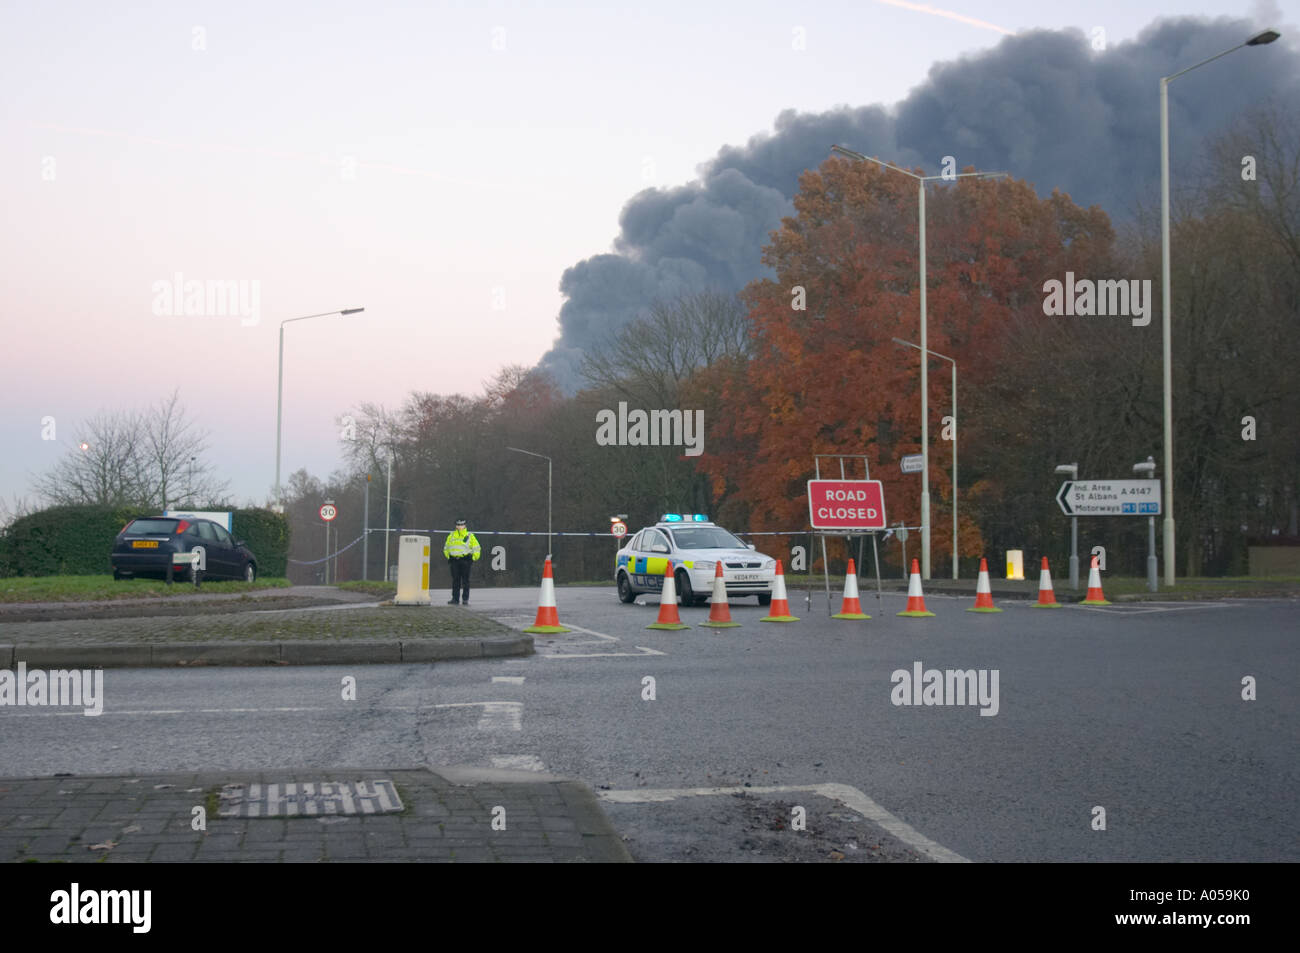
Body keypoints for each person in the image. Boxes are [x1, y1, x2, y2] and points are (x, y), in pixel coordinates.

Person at [443, 518, 481, 605]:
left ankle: (465, 599)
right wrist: (449, 557)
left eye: (462, 525)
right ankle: (455, 599)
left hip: (465, 560)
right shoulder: (451, 535)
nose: (460, 526)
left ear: (465, 525)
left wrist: (473, 559)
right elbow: (446, 548)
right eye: (458, 525)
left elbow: (477, 548)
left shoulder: (470, 536)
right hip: (454, 561)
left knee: (465, 581)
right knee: (455, 581)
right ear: (455, 526)